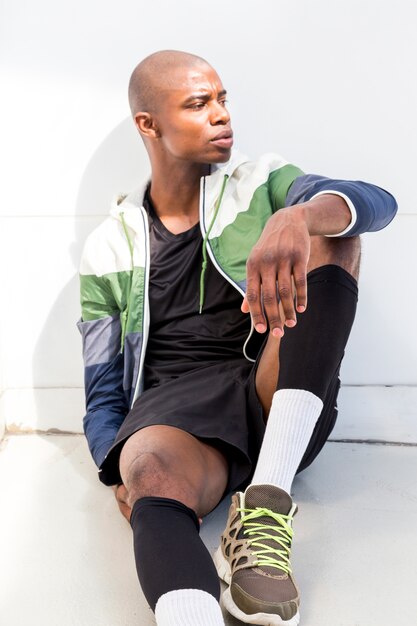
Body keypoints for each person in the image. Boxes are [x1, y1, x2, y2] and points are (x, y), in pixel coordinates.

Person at [78, 50, 397, 626]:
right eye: (199, 104)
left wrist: (297, 217)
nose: (221, 115)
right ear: (148, 124)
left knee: (334, 231)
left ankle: (266, 506)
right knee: (151, 474)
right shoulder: (109, 246)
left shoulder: (260, 184)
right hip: (178, 413)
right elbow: (101, 390)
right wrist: (116, 464)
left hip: (278, 382)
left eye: (223, 99)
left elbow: (377, 203)